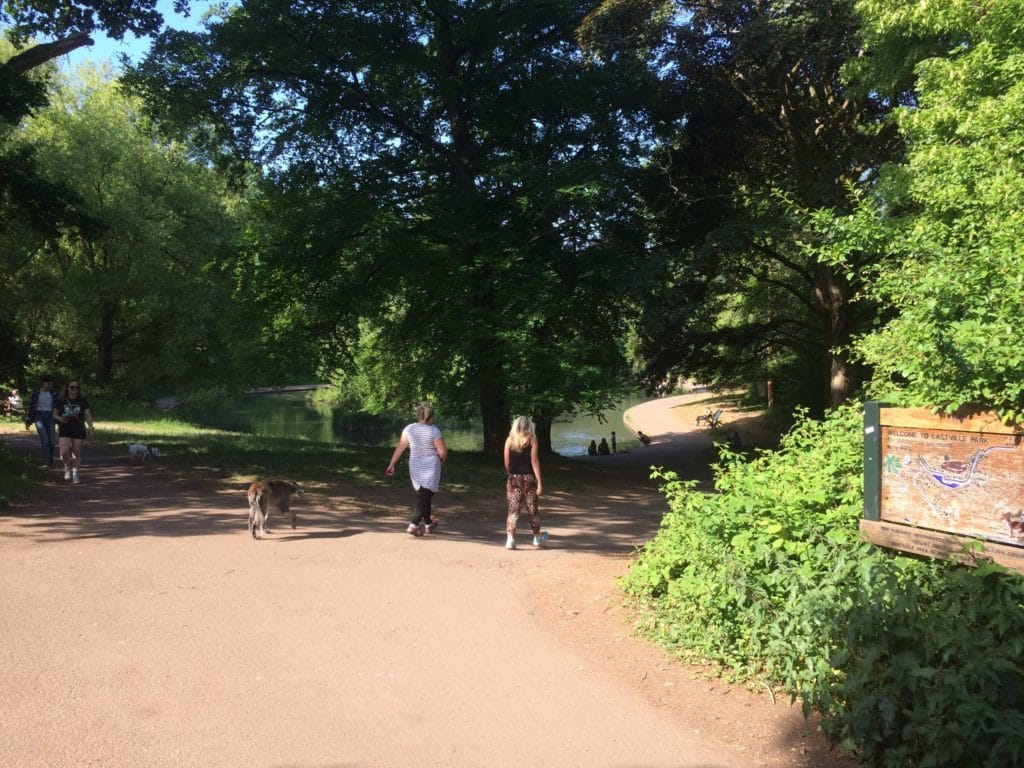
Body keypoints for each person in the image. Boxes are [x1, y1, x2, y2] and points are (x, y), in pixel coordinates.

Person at [385, 401, 448, 536]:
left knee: (425, 495)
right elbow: (442, 452)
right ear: (431, 417)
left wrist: (392, 464)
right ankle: (413, 524)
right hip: (431, 466)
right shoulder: (434, 431)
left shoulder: (409, 429)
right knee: (425, 497)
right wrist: (442, 459)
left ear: (418, 415)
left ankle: (429, 524)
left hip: (415, 465)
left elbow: (400, 447)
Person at [503, 415, 548, 550]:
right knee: (532, 509)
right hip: (529, 478)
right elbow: (534, 461)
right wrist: (539, 481)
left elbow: (507, 463)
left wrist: (512, 473)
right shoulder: (532, 441)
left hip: (513, 478)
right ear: (529, 426)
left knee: (513, 510)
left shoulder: (509, 441)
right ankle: (536, 538)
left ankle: (510, 539)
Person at [54, 378, 95, 484]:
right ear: (67, 388)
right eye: (72, 387)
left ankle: (76, 474)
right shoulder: (61, 400)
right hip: (65, 428)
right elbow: (54, 414)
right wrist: (60, 419)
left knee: (76, 453)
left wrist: (90, 428)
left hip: (78, 428)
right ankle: (67, 466)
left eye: (76, 387)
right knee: (63, 452)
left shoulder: (82, 400)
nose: (74, 389)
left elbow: (87, 414)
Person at [24, 376, 57, 464]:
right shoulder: (36, 393)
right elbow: (31, 406)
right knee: (45, 440)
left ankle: (50, 458)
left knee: (52, 441)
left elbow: (58, 406)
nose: (50, 385)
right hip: (39, 416)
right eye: (48, 383)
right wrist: (28, 420)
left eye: (52, 384)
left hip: (51, 416)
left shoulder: (53, 393)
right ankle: (47, 461)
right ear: (43, 383)